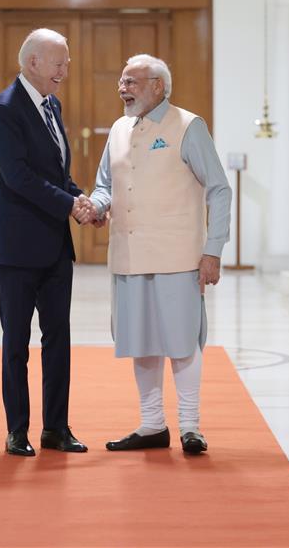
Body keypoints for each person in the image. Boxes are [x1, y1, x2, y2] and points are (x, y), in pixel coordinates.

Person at [88, 54, 231, 454]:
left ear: (158, 86)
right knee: (142, 341)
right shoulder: (117, 129)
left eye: (132, 81)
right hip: (129, 256)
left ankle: (191, 427)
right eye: (121, 80)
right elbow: (104, 184)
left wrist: (213, 250)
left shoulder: (189, 126)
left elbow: (219, 188)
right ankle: (152, 425)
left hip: (178, 256)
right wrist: (96, 206)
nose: (123, 88)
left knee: (182, 341)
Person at [0, 28, 95, 457]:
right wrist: (69, 204)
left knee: (58, 339)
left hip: (53, 245)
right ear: (33, 63)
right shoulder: (4, 111)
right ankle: (17, 430)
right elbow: (19, 178)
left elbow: (54, 172)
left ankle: (56, 429)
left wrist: (79, 197)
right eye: (59, 63)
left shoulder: (52, 104)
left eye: (66, 61)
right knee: (16, 343)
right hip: (14, 248)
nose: (66, 70)